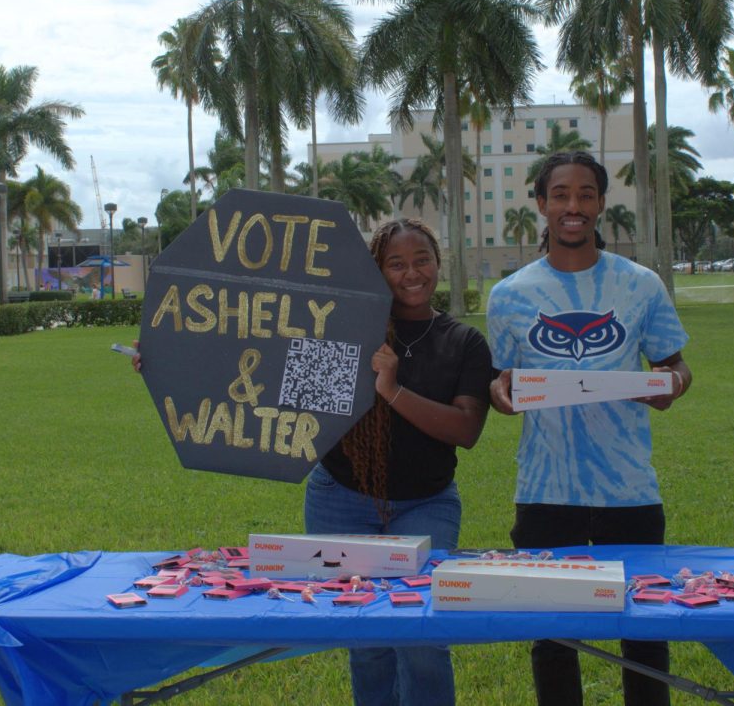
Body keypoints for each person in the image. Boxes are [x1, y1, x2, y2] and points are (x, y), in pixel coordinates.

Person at [134, 217, 494, 706]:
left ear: (438, 262)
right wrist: (168, 358)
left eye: (422, 260)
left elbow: (465, 429)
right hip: (341, 499)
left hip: (426, 504)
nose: (412, 272)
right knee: (364, 638)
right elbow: (279, 395)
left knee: (424, 636)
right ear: (377, 272)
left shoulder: (463, 342)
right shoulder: (343, 334)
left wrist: (392, 389)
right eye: (396, 264)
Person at [486, 151, 692, 706]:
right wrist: (500, 395)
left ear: (600, 203)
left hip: (629, 489)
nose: (572, 206)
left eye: (584, 194)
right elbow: (502, 381)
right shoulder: (508, 296)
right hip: (546, 491)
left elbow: (674, 365)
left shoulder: (641, 286)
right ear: (541, 204)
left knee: (644, 630)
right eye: (560, 195)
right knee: (553, 636)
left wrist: (670, 385)